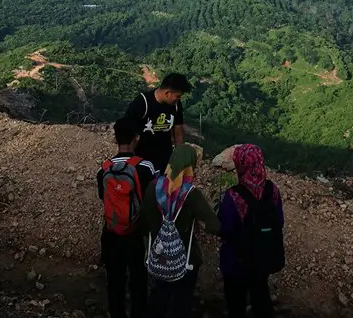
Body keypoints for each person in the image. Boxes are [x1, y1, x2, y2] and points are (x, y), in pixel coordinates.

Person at [142, 144, 220, 318]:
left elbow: (143, 223)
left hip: (159, 257)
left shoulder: (152, 189)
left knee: (158, 298)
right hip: (186, 261)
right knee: (181, 304)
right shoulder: (191, 195)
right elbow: (215, 226)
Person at [97, 117, 157, 318]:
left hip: (111, 232)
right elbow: (153, 201)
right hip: (136, 233)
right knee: (138, 281)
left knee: (115, 282)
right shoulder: (145, 167)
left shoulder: (104, 169)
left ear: (116, 139)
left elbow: (103, 197)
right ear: (136, 138)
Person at [218, 144, 286, 318]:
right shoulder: (273, 191)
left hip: (236, 262)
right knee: (261, 298)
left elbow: (225, 230)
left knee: (236, 306)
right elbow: (279, 221)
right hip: (263, 258)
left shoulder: (233, 196)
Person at [124, 73, 192, 174]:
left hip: (164, 158)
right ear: (167, 93)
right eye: (177, 96)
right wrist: (131, 161)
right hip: (141, 158)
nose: (178, 99)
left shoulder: (176, 105)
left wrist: (179, 155)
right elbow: (127, 132)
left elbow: (178, 129)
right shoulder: (142, 103)